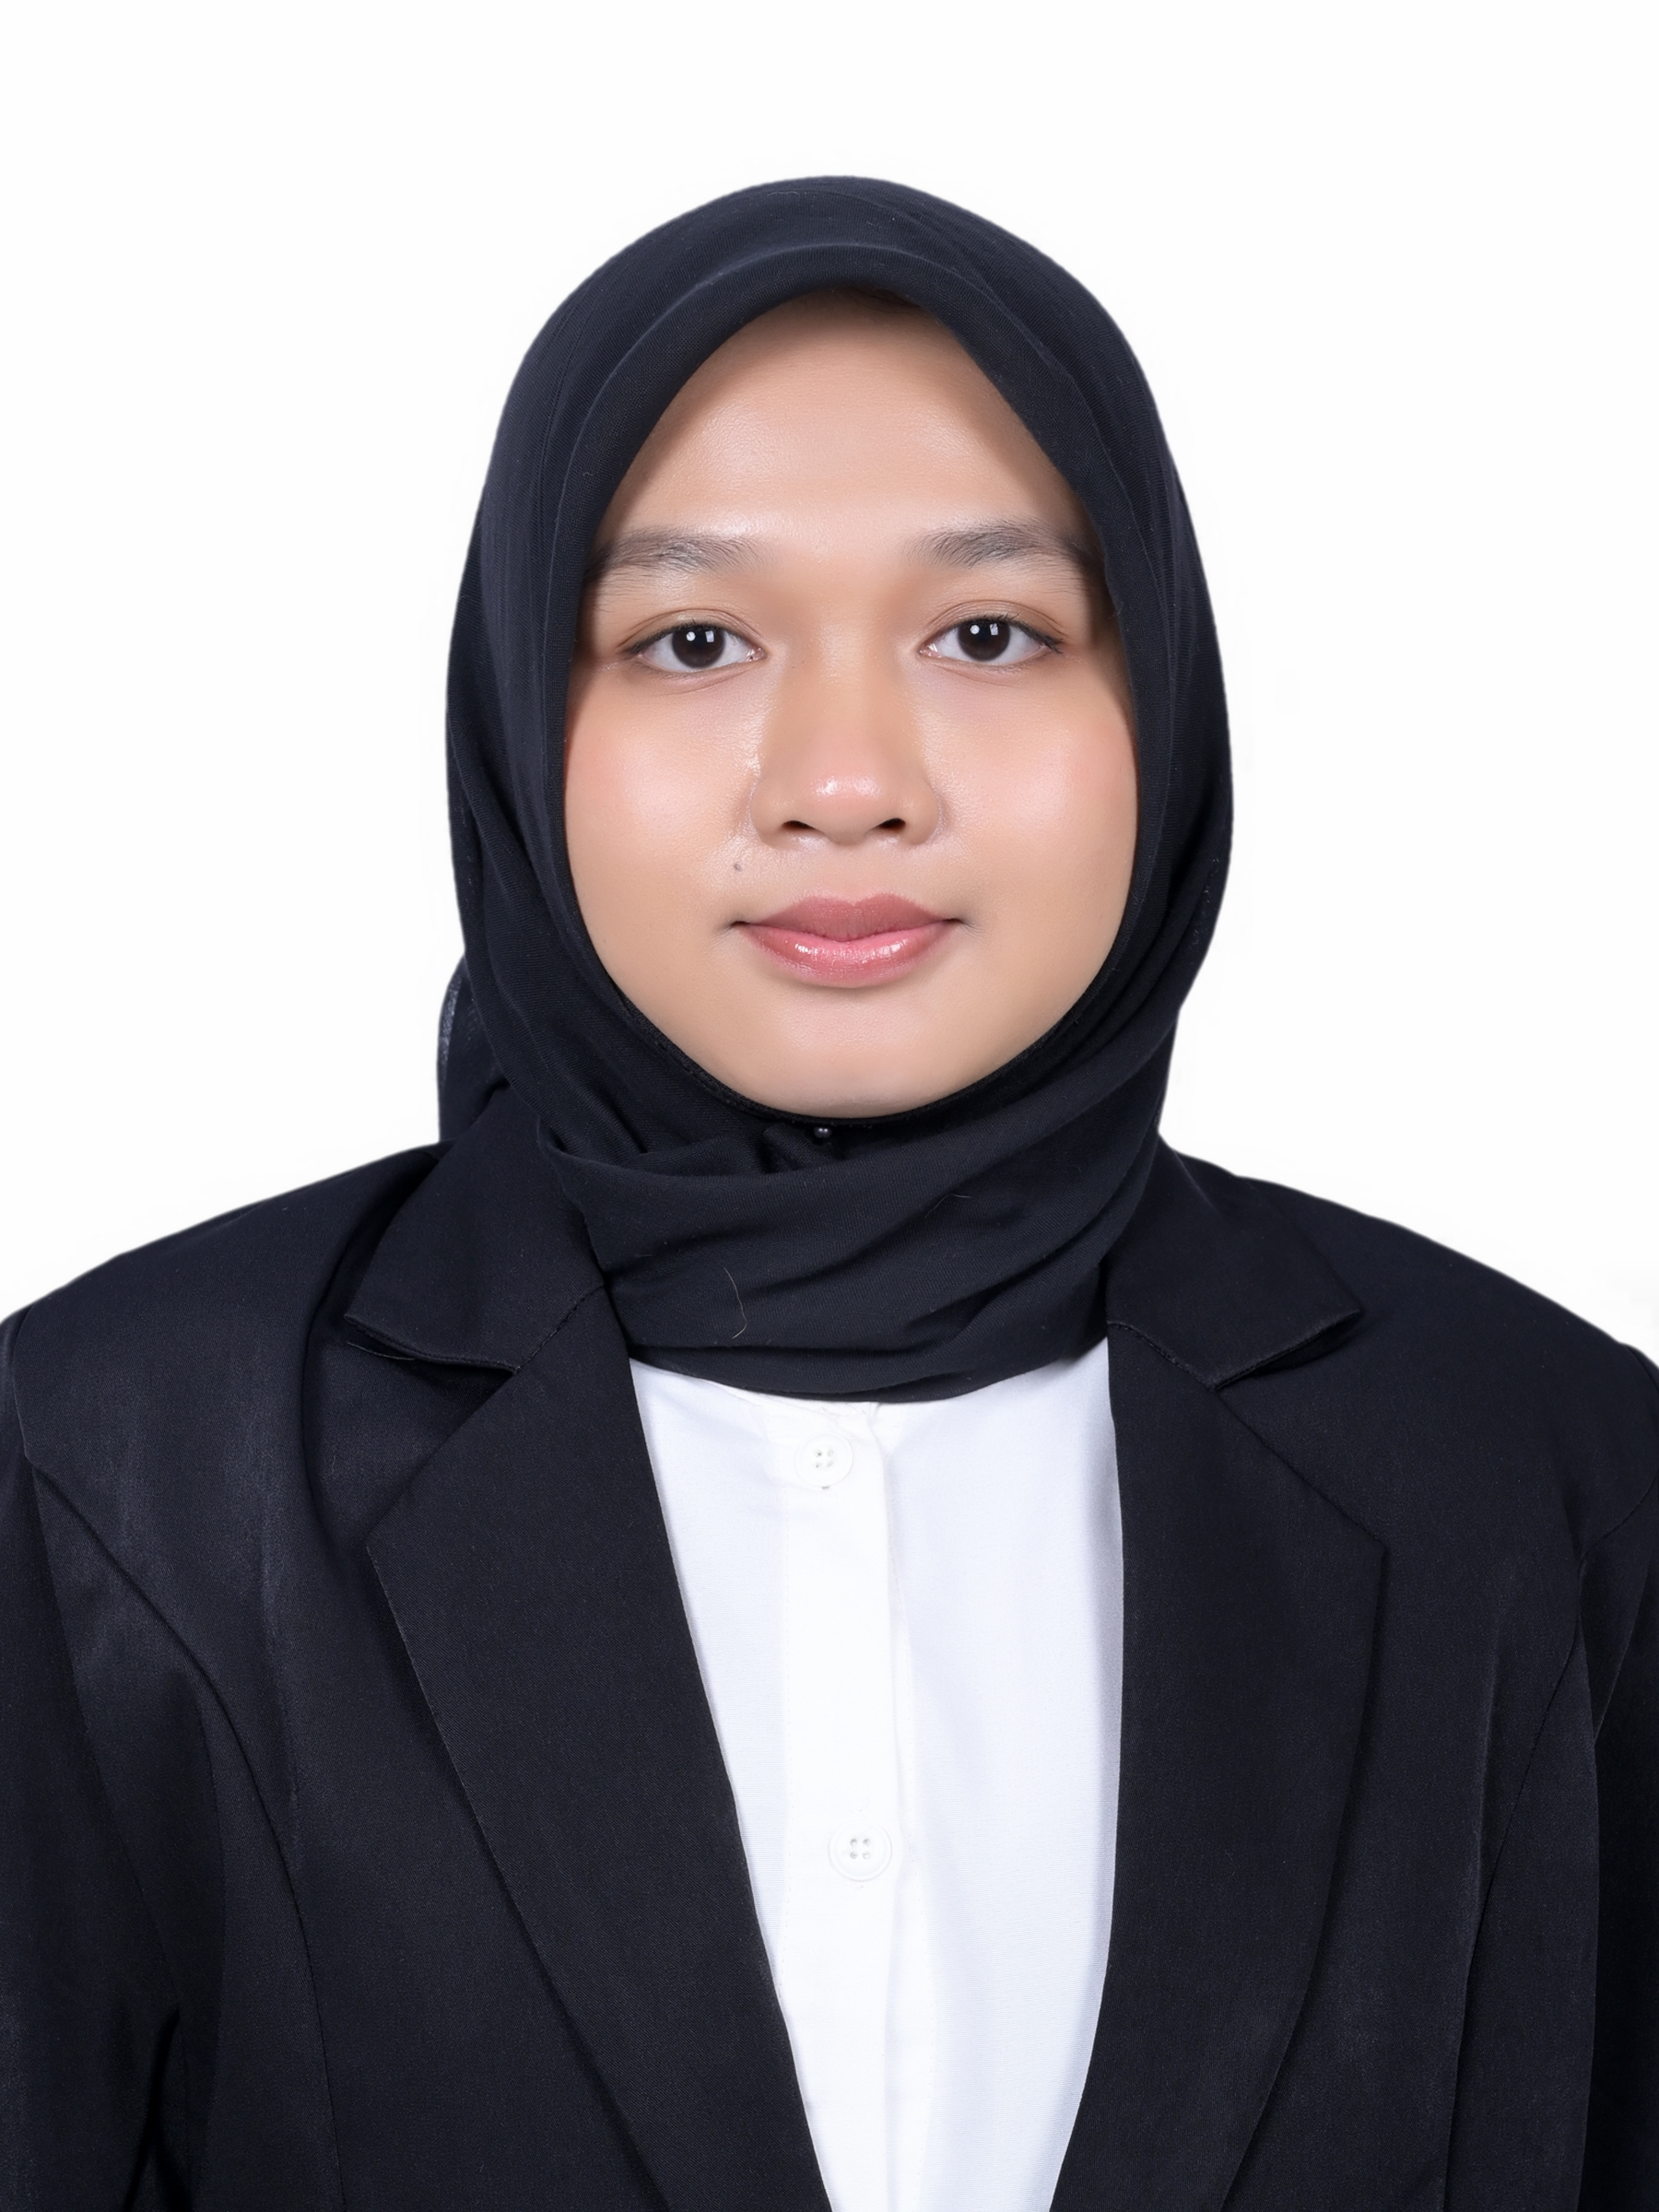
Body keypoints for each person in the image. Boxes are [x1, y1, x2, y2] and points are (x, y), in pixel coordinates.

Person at [2, 177, 1653, 2212]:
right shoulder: (109, 1477)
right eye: (693, 641)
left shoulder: (1551, 1481)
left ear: (1162, 702)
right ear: (523, 714)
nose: (847, 780)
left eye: (989, 633)